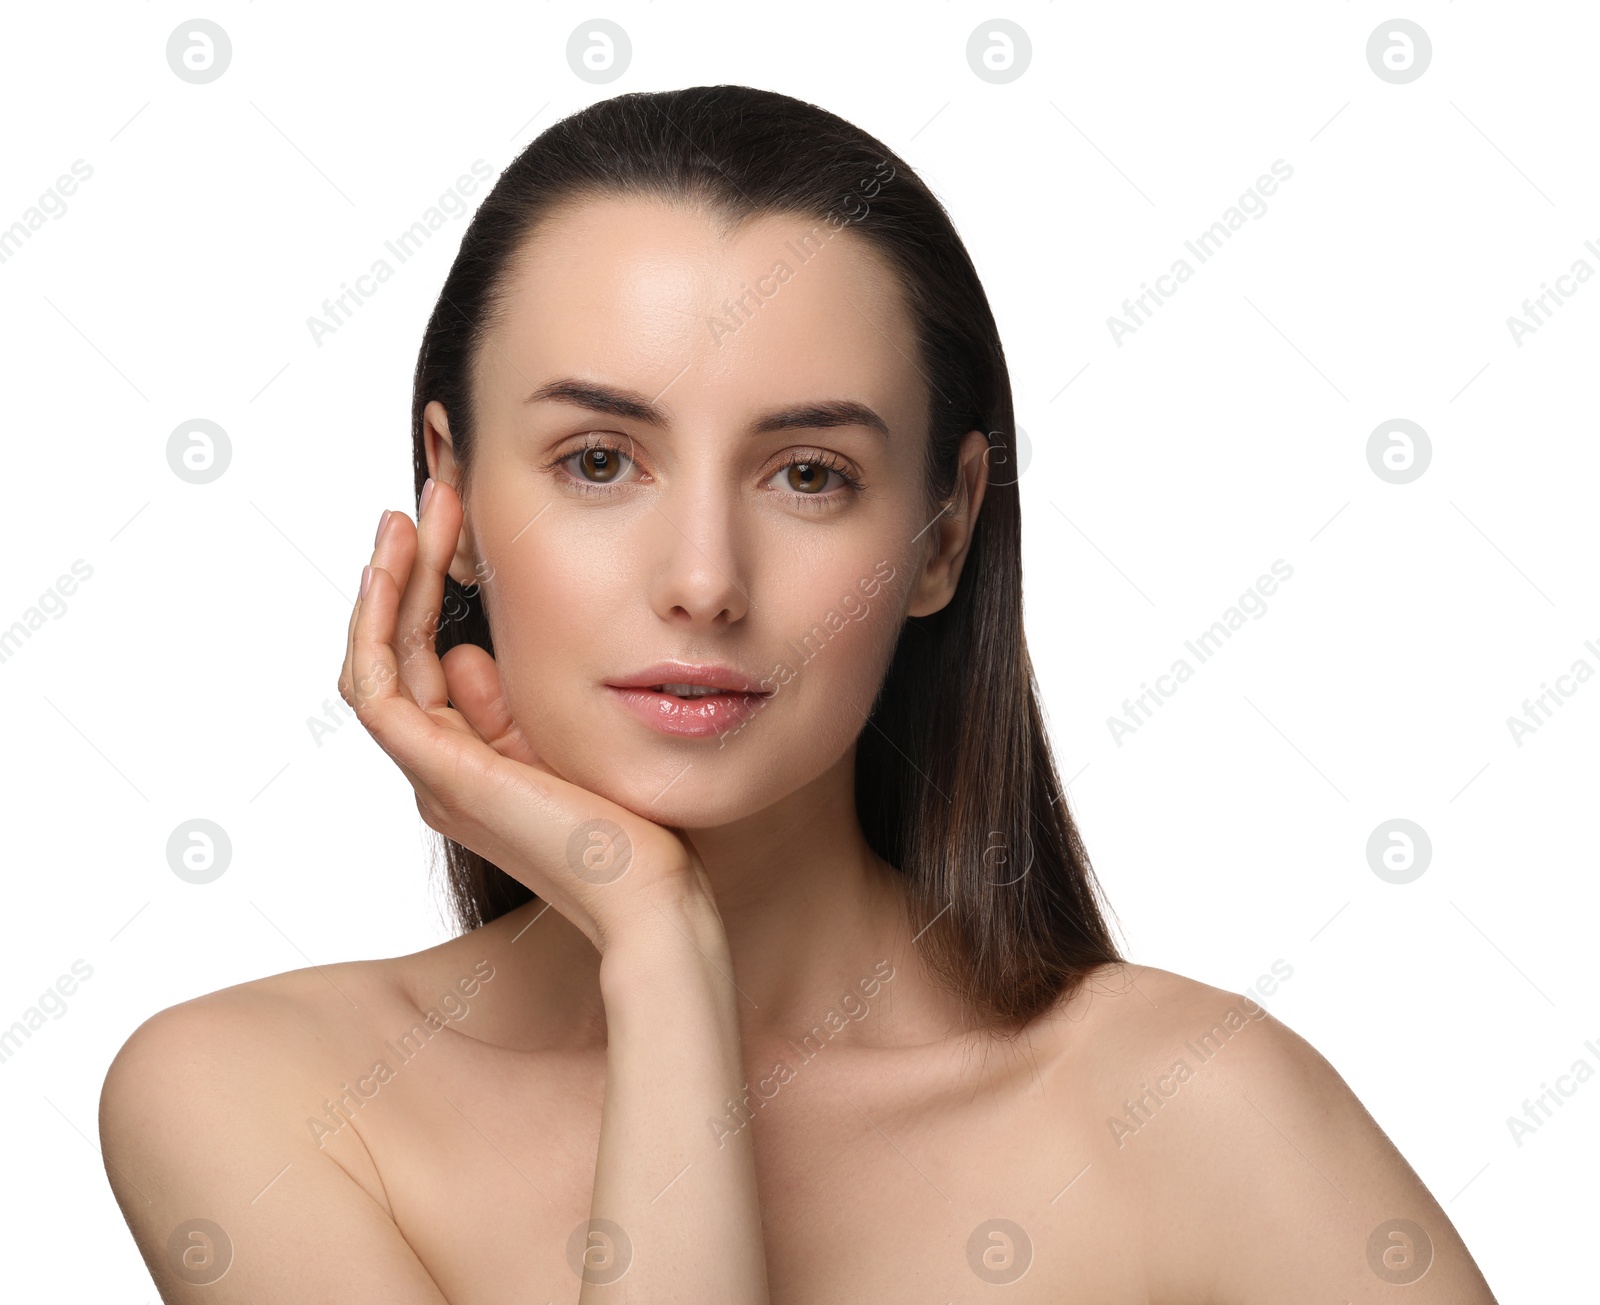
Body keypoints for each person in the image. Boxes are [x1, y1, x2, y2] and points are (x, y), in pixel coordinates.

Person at [98, 85, 1497, 1302]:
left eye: (808, 474)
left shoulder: (1195, 1116)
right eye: (598, 460)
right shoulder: (252, 1100)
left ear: (943, 533)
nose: (705, 580)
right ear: (446, 489)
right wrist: (654, 937)